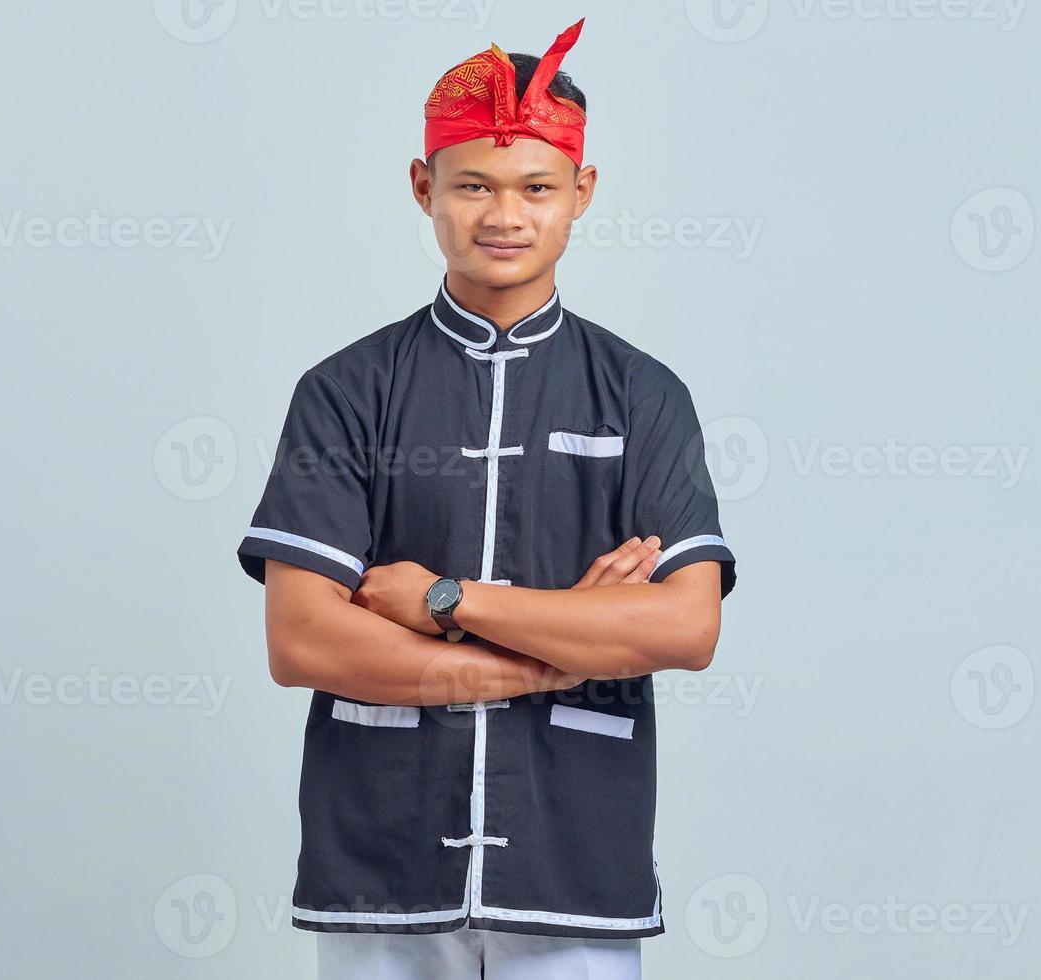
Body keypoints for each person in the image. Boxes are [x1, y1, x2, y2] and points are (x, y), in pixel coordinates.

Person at [236, 17, 737, 979]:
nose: (504, 214)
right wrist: (569, 648)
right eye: (473, 184)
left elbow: (686, 628)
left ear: (580, 194)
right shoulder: (346, 391)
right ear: (423, 187)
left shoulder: (643, 395)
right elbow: (304, 642)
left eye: (536, 188)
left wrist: (445, 601)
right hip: (381, 862)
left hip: (577, 864)